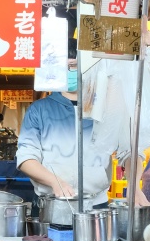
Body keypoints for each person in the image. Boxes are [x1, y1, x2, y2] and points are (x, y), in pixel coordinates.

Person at [16, 59, 124, 208]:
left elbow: (128, 150)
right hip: (50, 203)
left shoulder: (104, 110)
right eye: (65, 66)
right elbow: (25, 159)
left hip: (95, 203)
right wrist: (55, 181)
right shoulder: (39, 109)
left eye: (74, 65)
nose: (70, 70)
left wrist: (135, 187)